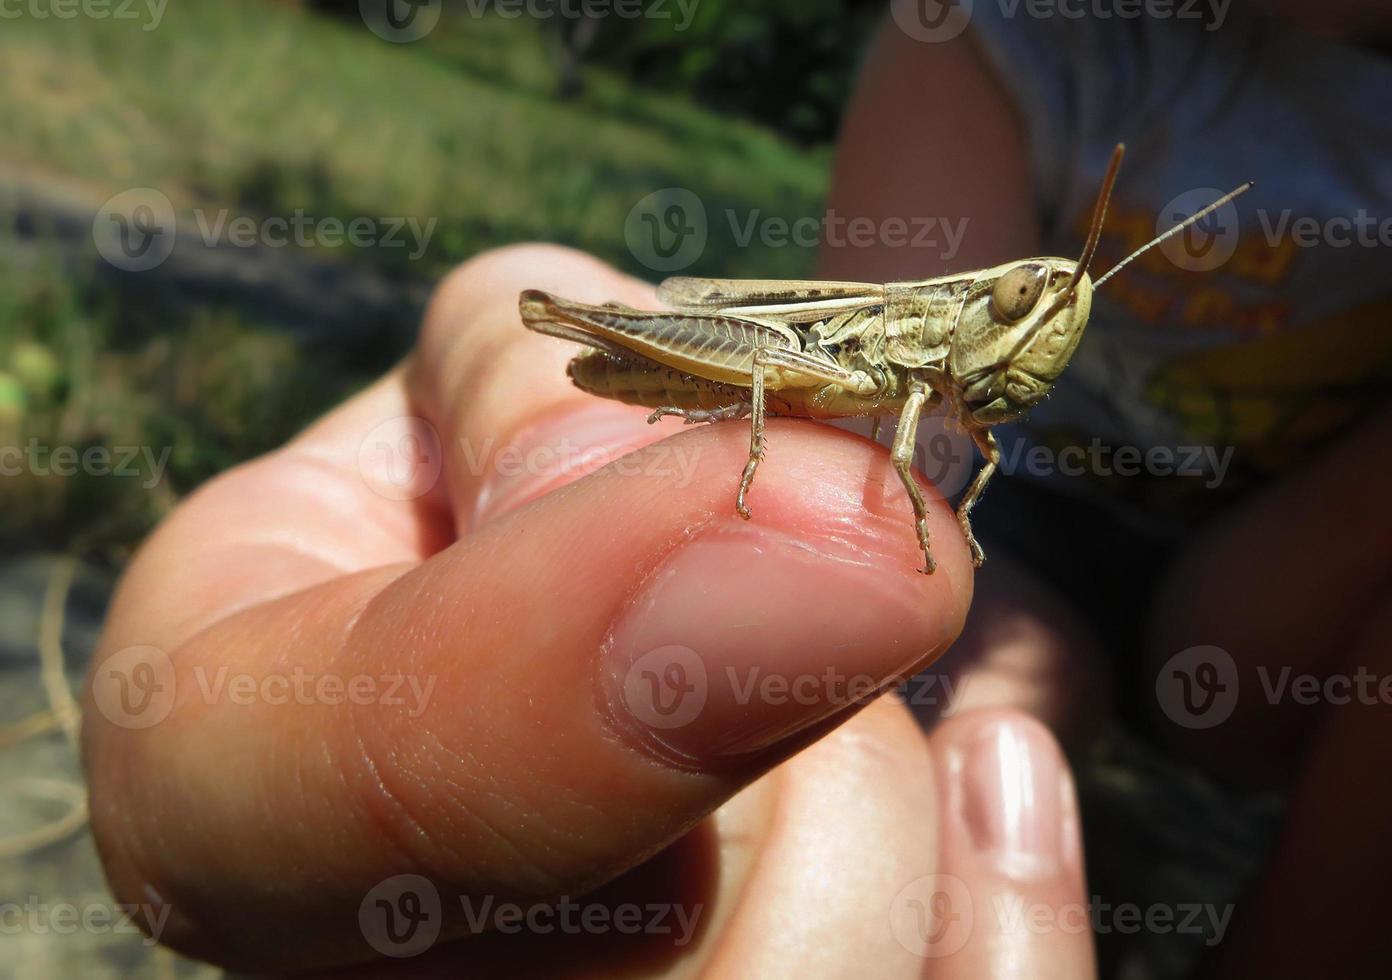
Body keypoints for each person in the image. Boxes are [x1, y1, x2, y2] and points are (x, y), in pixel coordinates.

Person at [821, 1, 1391, 975]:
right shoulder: (1011, 35)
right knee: (916, 721)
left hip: (1294, 586)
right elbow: (890, 432)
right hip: (1016, 533)